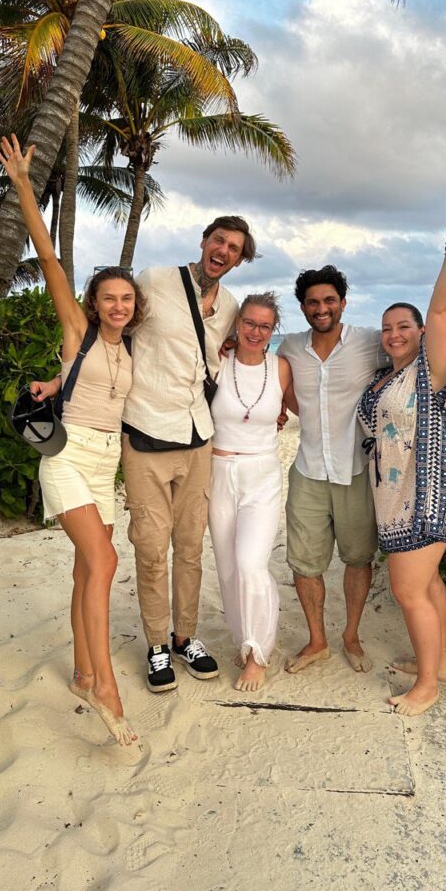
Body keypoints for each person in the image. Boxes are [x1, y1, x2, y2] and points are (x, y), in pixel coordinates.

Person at [37, 218, 258, 693]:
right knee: (151, 548)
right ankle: (157, 643)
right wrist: (62, 379)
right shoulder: (156, 280)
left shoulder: (232, 305)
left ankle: (185, 637)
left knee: (191, 550)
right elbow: (111, 331)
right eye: (218, 240)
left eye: (234, 248)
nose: (223, 251)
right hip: (145, 436)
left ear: (240, 259)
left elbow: (218, 360)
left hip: (199, 436)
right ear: (203, 241)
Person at [0, 135, 143, 748]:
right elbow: (51, 261)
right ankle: (106, 686)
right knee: (106, 563)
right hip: (65, 456)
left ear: (135, 307)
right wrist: (27, 186)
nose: (117, 304)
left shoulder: (132, 346)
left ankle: (84, 673)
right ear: (93, 303)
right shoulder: (77, 331)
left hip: (107, 458)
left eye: (126, 298)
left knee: (90, 567)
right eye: (108, 296)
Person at [358, 207, 446, 717]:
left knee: (409, 590)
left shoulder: (430, 374)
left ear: (417, 332)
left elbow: (441, 315)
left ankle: (427, 686)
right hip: (393, 498)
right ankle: (440, 663)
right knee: (428, 584)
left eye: (403, 325)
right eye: (387, 327)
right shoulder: (382, 380)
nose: (394, 333)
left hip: (424, 495)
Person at [278, 265, 387, 676]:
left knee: (358, 559)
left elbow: (411, 349)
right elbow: (265, 376)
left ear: (343, 302)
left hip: (355, 469)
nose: (321, 308)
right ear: (303, 307)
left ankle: (351, 636)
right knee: (304, 564)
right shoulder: (289, 346)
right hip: (307, 469)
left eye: (329, 300)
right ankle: (317, 640)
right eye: (312, 302)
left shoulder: (369, 343)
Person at [208, 292, 294, 692]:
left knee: (249, 564)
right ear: (237, 324)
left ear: (272, 330)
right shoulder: (216, 362)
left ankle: (258, 652)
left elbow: (305, 409)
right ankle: (243, 639)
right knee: (227, 569)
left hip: (262, 473)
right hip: (218, 471)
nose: (255, 332)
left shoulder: (281, 369)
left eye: (264, 326)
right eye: (249, 323)